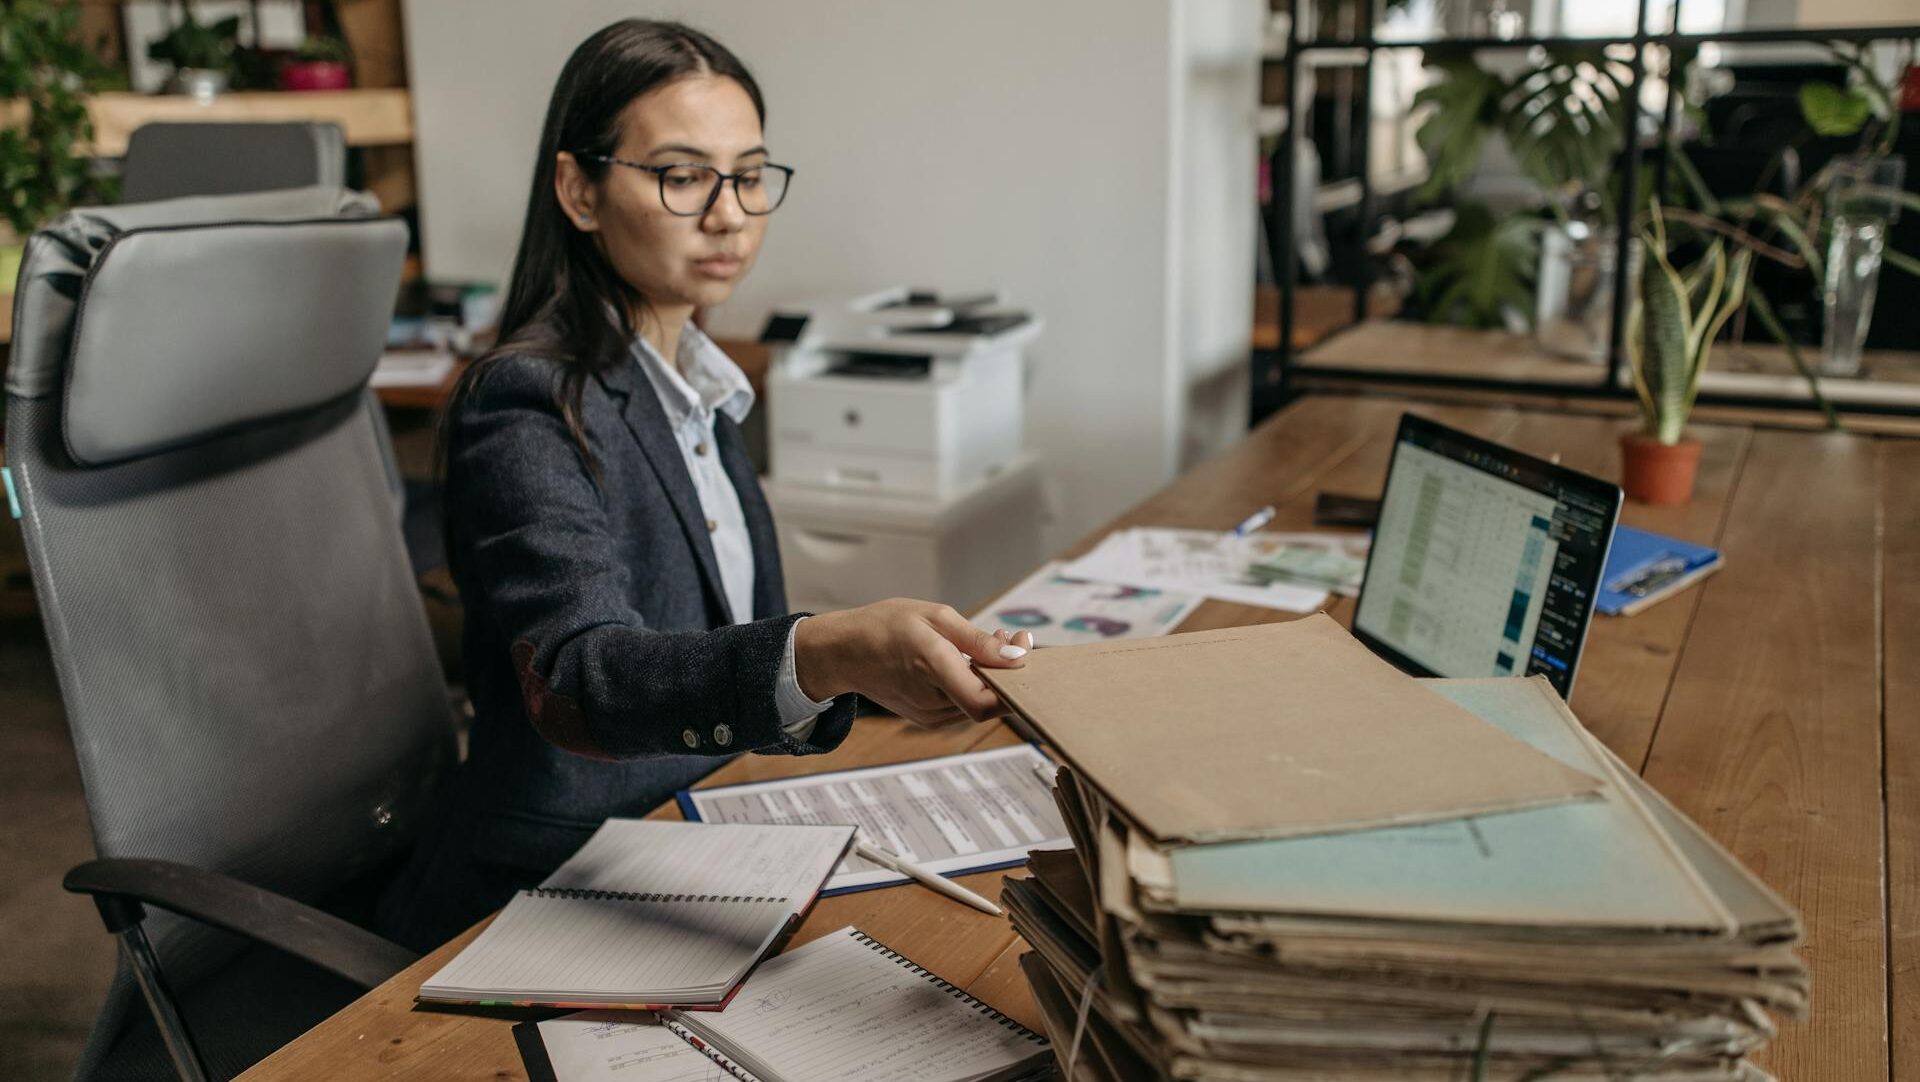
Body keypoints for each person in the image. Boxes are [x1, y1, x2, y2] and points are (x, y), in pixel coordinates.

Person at [380, 19, 1032, 949]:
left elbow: (717, 643)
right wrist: (827, 650)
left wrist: (890, 668)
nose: (730, 213)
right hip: (557, 877)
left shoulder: (693, 381)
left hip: (705, 830)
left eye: (751, 173)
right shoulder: (524, 401)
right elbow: (579, 676)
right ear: (580, 189)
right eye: (683, 176)